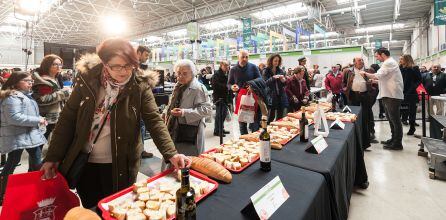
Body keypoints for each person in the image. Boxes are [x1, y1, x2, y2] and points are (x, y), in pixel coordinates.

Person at [40, 38, 190, 209]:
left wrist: (171, 153)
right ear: (104, 63)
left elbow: (154, 120)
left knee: (117, 207)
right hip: (85, 161)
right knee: (91, 207)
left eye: (128, 65)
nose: (123, 71)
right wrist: (53, 156)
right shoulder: (88, 79)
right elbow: (68, 117)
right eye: (116, 66)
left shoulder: (140, 85)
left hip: (121, 161)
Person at [0, 72, 47, 204]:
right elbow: (14, 117)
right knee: (15, 162)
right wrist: (38, 120)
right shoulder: (12, 97)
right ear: (16, 82)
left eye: (31, 81)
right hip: (18, 135)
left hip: (27, 135)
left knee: (33, 162)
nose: (30, 83)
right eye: (26, 80)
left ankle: (37, 190)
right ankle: (3, 193)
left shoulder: (24, 96)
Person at [165, 59, 212, 157]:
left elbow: (207, 109)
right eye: (178, 73)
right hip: (175, 128)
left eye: (184, 73)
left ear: (193, 73)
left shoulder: (198, 88)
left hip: (190, 131)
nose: (180, 76)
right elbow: (171, 104)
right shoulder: (178, 86)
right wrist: (165, 113)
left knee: (188, 159)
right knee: (175, 157)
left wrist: (184, 112)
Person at [361, 48, 404, 150]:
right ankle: (393, 139)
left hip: (392, 95)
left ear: (383, 54)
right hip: (389, 94)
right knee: (391, 119)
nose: (376, 58)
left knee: (395, 120)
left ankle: (397, 143)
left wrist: (365, 74)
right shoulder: (389, 62)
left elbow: (378, 75)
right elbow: (383, 79)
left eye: (377, 56)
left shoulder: (388, 63)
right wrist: (372, 80)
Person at [32, 55, 71, 145]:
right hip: (46, 117)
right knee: (39, 144)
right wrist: (63, 93)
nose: (58, 67)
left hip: (53, 115)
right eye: (54, 64)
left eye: (60, 64)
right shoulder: (44, 80)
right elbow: (42, 100)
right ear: (47, 65)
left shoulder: (54, 78)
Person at [227, 50, 261, 134]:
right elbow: (229, 83)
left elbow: (260, 79)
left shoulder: (253, 67)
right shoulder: (233, 69)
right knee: (242, 123)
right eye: (243, 57)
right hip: (240, 98)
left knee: (255, 122)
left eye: (247, 57)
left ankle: (254, 142)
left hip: (253, 97)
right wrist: (232, 87)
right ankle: (244, 141)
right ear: (238, 57)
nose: (245, 59)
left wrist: (252, 85)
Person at [344, 57, 372, 149]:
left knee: (365, 117)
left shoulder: (369, 70)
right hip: (353, 96)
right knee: (353, 117)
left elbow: (375, 84)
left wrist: (372, 94)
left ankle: (366, 140)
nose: (362, 62)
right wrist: (345, 90)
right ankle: (355, 139)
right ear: (354, 62)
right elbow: (343, 83)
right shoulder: (348, 71)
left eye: (362, 60)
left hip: (365, 96)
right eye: (359, 60)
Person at [136, 45, 154, 159]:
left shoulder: (140, 67)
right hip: (136, 103)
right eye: (146, 55)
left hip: (140, 103)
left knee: (141, 126)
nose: (147, 57)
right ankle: (139, 151)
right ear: (139, 53)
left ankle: (140, 150)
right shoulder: (133, 66)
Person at [399, 55, 421, 135]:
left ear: (407, 59)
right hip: (401, 92)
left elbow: (419, 80)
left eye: (402, 59)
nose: (400, 60)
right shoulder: (400, 68)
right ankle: (401, 126)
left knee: (412, 112)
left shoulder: (414, 68)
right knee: (402, 110)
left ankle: (412, 127)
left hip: (411, 94)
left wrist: (413, 87)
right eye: (400, 59)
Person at [263, 53, 287, 123]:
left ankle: (277, 130)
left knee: (280, 116)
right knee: (270, 116)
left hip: (280, 95)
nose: (277, 63)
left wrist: (283, 81)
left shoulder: (280, 70)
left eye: (278, 61)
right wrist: (273, 78)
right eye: (275, 61)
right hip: (271, 96)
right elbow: (265, 83)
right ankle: (266, 131)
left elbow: (284, 84)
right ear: (271, 61)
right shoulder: (266, 70)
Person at [211, 61, 231, 136]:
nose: (227, 67)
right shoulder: (216, 74)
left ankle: (221, 128)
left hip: (225, 97)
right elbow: (215, 85)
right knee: (219, 114)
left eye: (228, 65)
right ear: (221, 65)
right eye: (225, 65)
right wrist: (226, 86)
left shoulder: (227, 73)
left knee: (223, 114)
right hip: (219, 97)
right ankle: (217, 131)